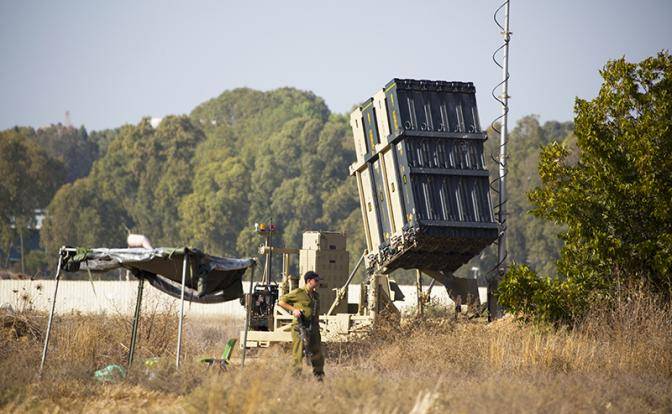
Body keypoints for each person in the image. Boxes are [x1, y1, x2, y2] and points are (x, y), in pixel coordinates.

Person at [277, 271, 325, 380]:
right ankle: (295, 378)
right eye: (316, 281)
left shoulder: (316, 296)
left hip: (313, 328)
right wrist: (294, 310)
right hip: (300, 328)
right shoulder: (299, 293)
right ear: (309, 281)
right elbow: (281, 301)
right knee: (298, 354)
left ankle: (319, 377)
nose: (318, 283)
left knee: (317, 352)